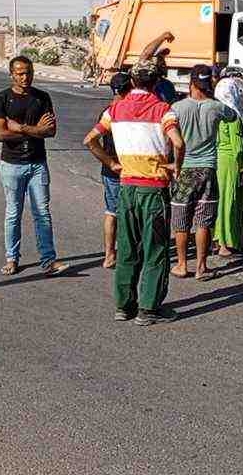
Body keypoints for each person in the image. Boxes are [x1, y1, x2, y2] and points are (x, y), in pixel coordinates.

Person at [88, 60, 186, 325]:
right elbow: (177, 142)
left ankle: (124, 306)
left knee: (128, 248)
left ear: (132, 82)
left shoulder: (115, 109)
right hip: (153, 190)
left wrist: (110, 163)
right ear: (156, 82)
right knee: (155, 249)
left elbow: (90, 140)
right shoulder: (163, 110)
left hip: (127, 187)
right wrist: (176, 166)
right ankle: (149, 309)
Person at [0, 56, 70, 277]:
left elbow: (51, 131)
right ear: (11, 74)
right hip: (12, 165)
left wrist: (21, 128)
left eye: (28, 72)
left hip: (38, 164)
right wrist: (36, 129)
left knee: (42, 213)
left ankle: (48, 260)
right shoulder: (2, 99)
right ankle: (12, 258)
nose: (25, 77)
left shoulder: (42, 97)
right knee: (13, 213)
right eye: (20, 73)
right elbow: (0, 134)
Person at [168, 64, 237, 280]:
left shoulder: (177, 108)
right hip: (208, 169)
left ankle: (181, 264)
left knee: (181, 221)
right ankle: (201, 266)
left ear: (191, 83)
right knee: (203, 221)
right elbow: (233, 117)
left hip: (185, 168)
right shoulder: (216, 107)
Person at [83, 72, 132, 269]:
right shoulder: (124, 112)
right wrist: (112, 163)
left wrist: (108, 162)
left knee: (112, 213)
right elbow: (89, 140)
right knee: (128, 214)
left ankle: (109, 254)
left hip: (111, 170)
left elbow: (92, 141)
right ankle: (125, 253)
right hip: (126, 169)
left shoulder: (107, 112)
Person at [213, 67, 243, 258]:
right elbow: (238, 147)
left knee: (219, 201)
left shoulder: (214, 111)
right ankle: (227, 242)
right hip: (231, 163)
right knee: (231, 201)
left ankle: (217, 237)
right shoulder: (233, 116)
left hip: (218, 161)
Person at [139, 30, 179, 103]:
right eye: (159, 58)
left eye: (162, 58)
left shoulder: (167, 85)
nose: (163, 62)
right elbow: (145, 55)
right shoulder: (142, 82)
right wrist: (162, 37)